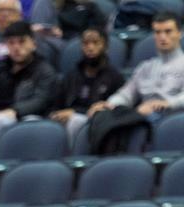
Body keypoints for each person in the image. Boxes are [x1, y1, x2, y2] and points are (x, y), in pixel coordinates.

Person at [87, 13, 184, 150]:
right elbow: (127, 94)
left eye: (168, 31)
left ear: (179, 33)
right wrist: (109, 104)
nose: (162, 37)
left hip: (170, 118)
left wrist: (167, 103)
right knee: (102, 116)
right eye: (157, 32)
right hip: (140, 116)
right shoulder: (146, 67)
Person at [49, 28, 125, 146]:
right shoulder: (72, 76)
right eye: (86, 43)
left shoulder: (115, 77)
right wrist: (56, 115)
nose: (90, 48)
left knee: (76, 121)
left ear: (105, 46)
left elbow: (114, 111)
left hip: (98, 125)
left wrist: (75, 112)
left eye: (95, 43)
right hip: (67, 122)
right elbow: (56, 106)